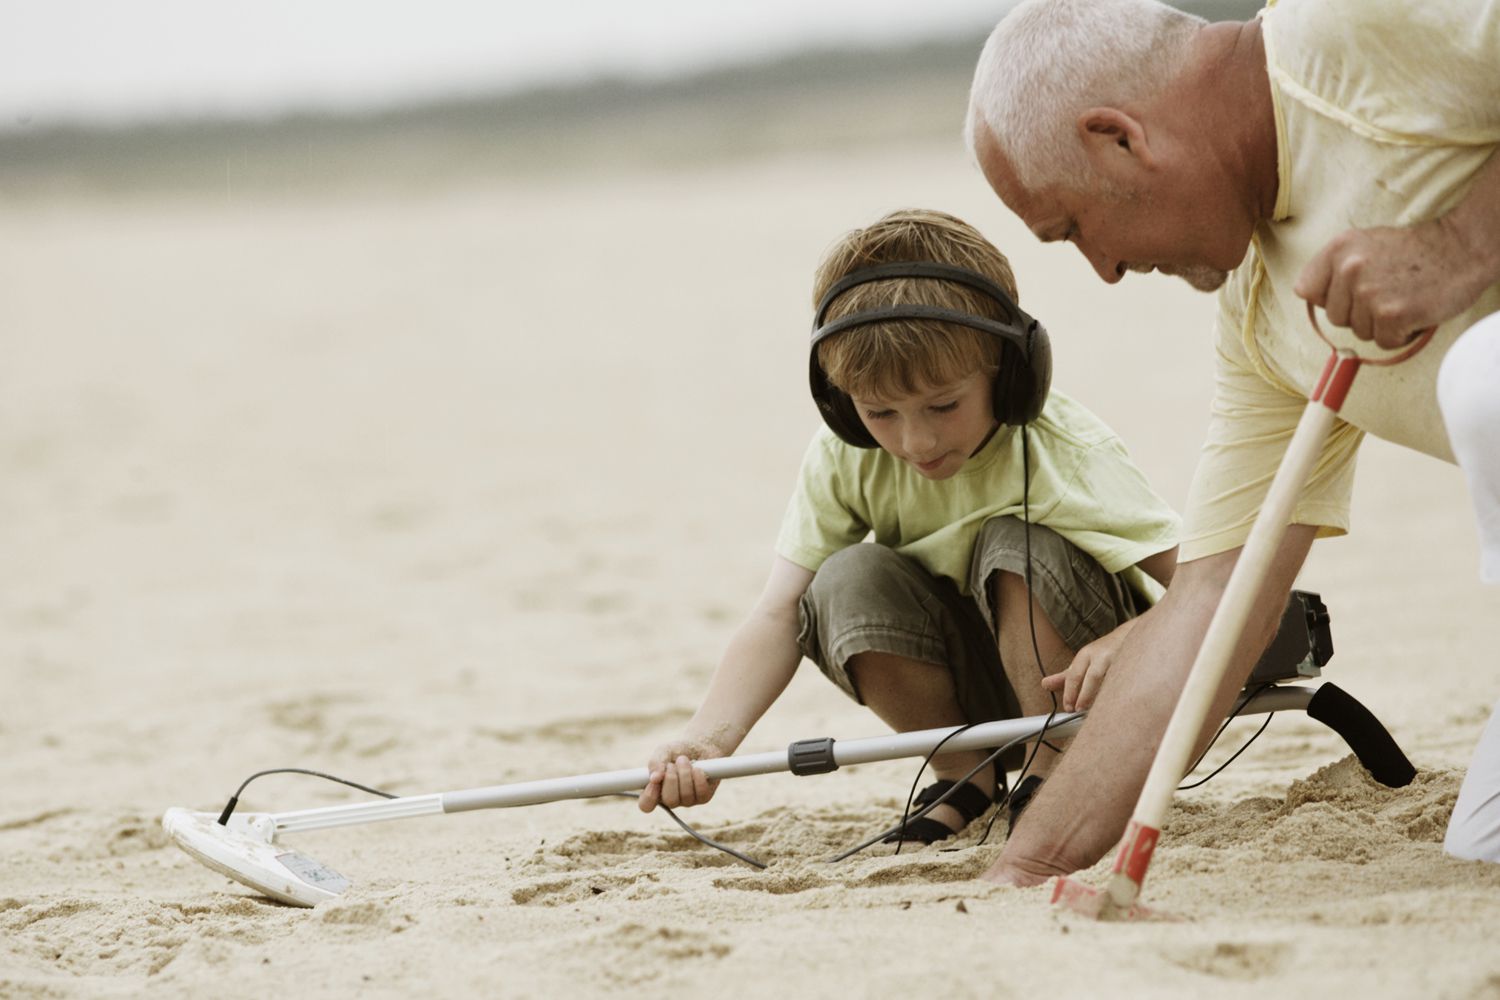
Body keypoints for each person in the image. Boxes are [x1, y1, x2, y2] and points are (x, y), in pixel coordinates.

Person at [963, 0, 1500, 882]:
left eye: (1073, 230)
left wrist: (1460, 243)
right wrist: (1024, 868)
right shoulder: (1257, 319)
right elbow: (1213, 607)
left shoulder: (1351, 28)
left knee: (1482, 378)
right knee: (1484, 848)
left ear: (1119, 139)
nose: (1102, 270)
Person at [636, 208, 1180, 844]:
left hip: (1096, 698)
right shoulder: (847, 455)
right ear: (841, 403)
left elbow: (1223, 584)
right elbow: (778, 613)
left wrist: (1130, 643)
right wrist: (708, 739)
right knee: (843, 578)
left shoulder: (1066, 451)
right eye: (880, 413)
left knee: (1015, 543)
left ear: (1011, 373)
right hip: (976, 684)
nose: (915, 441)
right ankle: (962, 771)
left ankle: (1057, 767)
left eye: (943, 405)